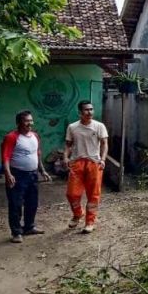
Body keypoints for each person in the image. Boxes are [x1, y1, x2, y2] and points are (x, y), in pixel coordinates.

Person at [1, 111, 51, 243]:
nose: (30, 123)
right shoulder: (11, 137)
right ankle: (16, 232)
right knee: (16, 204)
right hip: (17, 175)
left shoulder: (35, 136)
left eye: (31, 120)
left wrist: (43, 171)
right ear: (19, 123)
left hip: (33, 175)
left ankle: (29, 227)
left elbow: (37, 155)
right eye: (26, 121)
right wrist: (8, 174)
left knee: (32, 203)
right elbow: (5, 157)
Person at [63, 100, 108, 234]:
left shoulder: (99, 126)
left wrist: (103, 159)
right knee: (72, 194)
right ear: (80, 112)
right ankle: (77, 214)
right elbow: (68, 145)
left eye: (91, 109)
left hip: (94, 163)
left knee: (93, 194)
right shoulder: (72, 127)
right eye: (86, 110)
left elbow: (105, 143)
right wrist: (65, 157)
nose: (90, 112)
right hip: (77, 163)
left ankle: (90, 221)